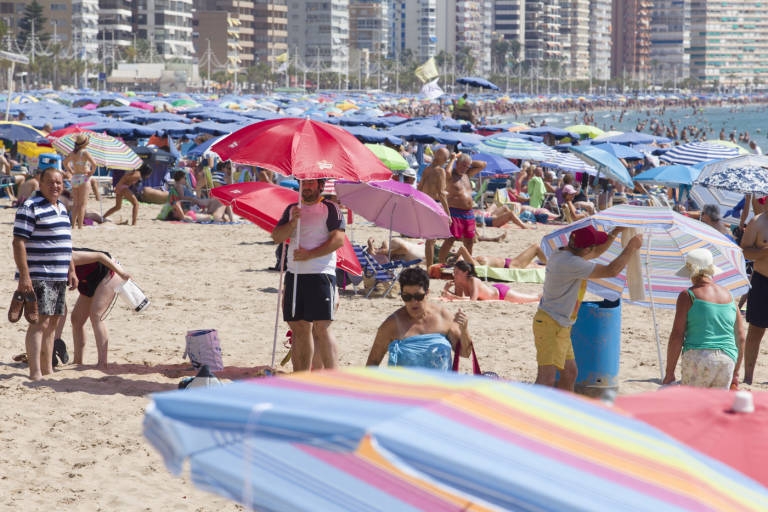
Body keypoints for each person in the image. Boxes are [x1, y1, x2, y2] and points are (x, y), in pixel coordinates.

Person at [533, 225, 642, 391]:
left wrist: (614, 233)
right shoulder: (572, 263)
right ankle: (529, 412)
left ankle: (564, 410)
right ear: (586, 249)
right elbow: (611, 270)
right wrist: (631, 247)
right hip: (551, 325)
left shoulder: (563, 253)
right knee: (546, 378)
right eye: (592, 246)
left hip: (559, 324)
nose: (595, 250)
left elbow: (595, 252)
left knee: (570, 373)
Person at [272, 178, 345, 372]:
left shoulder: (330, 208)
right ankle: (301, 378)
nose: (307, 186)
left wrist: (309, 255)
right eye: (304, 182)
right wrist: (292, 222)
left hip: (321, 273)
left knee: (322, 328)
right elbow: (277, 237)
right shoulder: (291, 209)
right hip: (295, 275)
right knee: (299, 329)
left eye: (312, 183)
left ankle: (333, 378)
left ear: (320, 185)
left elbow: (338, 240)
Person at [11, 167, 78, 381]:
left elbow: (66, 244)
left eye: (59, 182)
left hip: (58, 276)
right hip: (39, 275)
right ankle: (35, 372)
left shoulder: (62, 208)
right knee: (39, 323)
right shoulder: (30, 207)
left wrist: (72, 270)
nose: (55, 186)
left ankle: (48, 368)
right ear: (40, 183)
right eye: (50, 182)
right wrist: (24, 276)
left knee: (53, 323)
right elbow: (18, 242)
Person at [663, 249, 745, 389]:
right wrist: (736, 373)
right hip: (727, 359)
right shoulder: (730, 296)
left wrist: (669, 372)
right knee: (714, 407)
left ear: (690, 272)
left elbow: (677, 334)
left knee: (693, 406)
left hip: (699, 356)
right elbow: (741, 337)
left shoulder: (688, 295)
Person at [366, 267, 473, 369]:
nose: (413, 302)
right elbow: (373, 362)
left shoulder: (443, 317)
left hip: (440, 386)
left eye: (418, 296)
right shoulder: (392, 325)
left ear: (427, 293)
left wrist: (464, 330)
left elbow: (465, 353)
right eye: (407, 297)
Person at [68, 249, 132, 369]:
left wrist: (122, 274)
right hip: (88, 279)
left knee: (96, 315)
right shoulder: (46, 265)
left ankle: (102, 363)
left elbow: (101, 256)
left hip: (109, 272)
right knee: (76, 319)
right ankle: (78, 361)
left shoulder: (70, 255)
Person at [438, 153, 487, 263]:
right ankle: (440, 263)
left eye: (466, 166)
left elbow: (483, 164)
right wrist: (454, 159)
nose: (464, 168)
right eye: (462, 165)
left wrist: (468, 162)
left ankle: (468, 263)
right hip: (455, 211)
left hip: (468, 213)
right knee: (450, 240)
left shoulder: (467, 174)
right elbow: (446, 172)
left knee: (469, 241)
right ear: (457, 164)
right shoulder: (451, 176)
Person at [740, 211, 768, 384]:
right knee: (755, 331)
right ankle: (748, 377)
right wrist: (764, 251)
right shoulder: (758, 222)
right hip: (762, 280)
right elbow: (744, 251)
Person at [442, 261, 540, 303]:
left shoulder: (473, 280)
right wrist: (447, 290)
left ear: (465, 272)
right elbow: (459, 298)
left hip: (502, 293)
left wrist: (451, 296)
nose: (454, 274)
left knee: (533, 299)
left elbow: (472, 300)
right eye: (454, 272)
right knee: (530, 297)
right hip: (493, 290)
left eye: (457, 272)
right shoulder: (459, 282)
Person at [417, 147, 450, 267]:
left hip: (425, 203)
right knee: (431, 240)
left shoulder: (427, 169)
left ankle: (429, 267)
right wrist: (448, 214)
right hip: (434, 204)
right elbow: (441, 194)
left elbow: (419, 188)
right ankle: (430, 269)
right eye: (446, 159)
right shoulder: (440, 171)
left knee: (430, 240)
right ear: (444, 159)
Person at [62, 133, 98, 229]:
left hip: (75, 177)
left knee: (76, 204)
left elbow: (64, 162)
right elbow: (94, 164)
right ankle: (80, 226)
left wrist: (71, 171)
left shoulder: (73, 153)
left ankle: (73, 225)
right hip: (83, 176)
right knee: (82, 204)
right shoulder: (85, 152)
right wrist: (91, 172)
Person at [446, 243, 547, 269]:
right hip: (512, 265)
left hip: (510, 262)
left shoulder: (472, 260)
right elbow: (462, 249)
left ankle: (551, 263)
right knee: (536, 247)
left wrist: (455, 255)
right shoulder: (472, 264)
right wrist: (456, 255)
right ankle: (554, 262)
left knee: (539, 266)